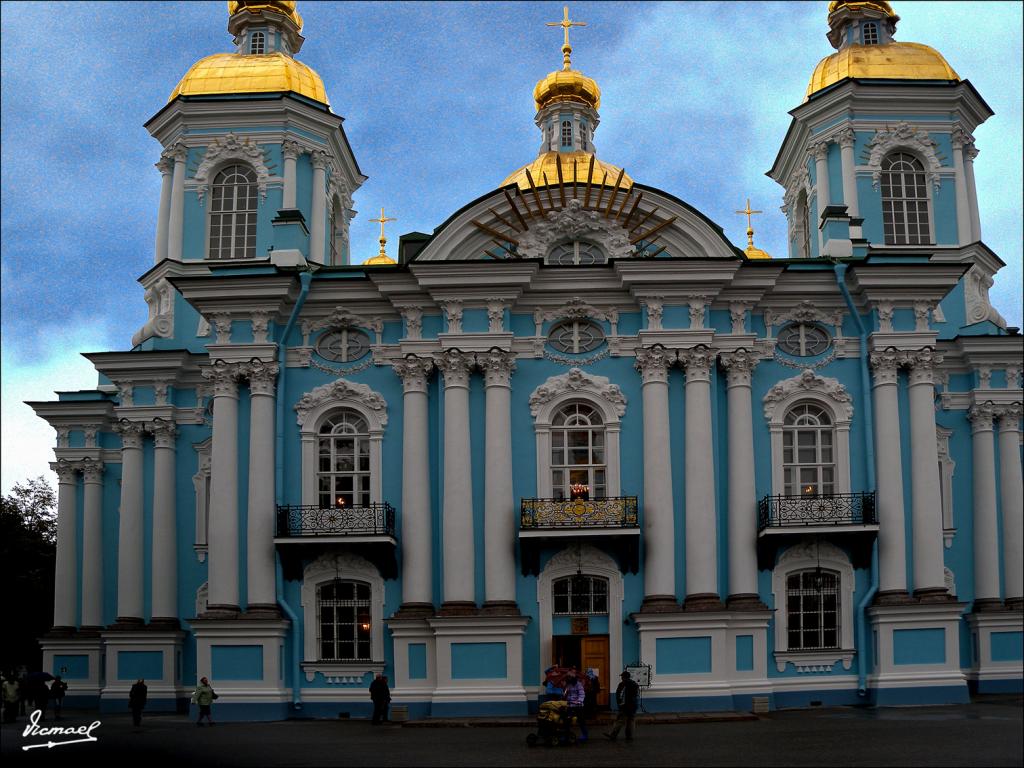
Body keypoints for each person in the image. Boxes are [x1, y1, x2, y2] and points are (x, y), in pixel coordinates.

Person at [604, 670, 639, 742]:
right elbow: (635, 695)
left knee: (620, 721)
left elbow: (620, 695)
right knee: (631, 721)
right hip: (633, 706)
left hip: (625, 706)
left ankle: (613, 734)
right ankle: (629, 736)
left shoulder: (622, 684)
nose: (621, 678)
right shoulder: (634, 684)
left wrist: (620, 705)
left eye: (622, 676)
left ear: (623, 677)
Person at [563, 671, 588, 743]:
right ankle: (566, 735)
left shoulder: (578, 685)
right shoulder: (568, 685)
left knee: (581, 720)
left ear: (573, 678)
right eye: (568, 677)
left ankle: (585, 734)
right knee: (567, 720)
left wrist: (579, 701)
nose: (568, 678)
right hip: (570, 705)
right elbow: (566, 694)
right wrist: (564, 689)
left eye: (570, 677)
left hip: (578, 706)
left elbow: (582, 694)